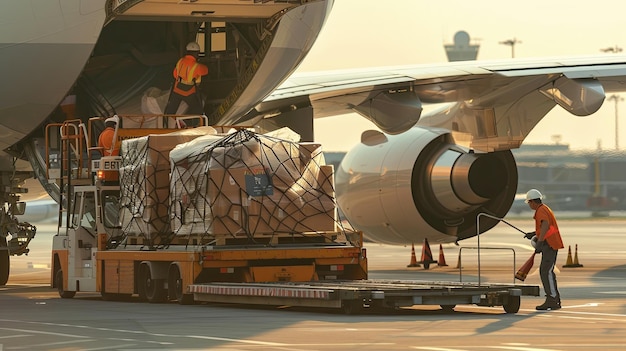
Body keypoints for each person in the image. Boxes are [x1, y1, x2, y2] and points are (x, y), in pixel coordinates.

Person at [524, 188, 565, 310]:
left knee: (546, 271)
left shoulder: (540, 210)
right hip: (551, 243)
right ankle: (554, 299)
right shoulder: (544, 208)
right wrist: (534, 233)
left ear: (532, 202)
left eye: (529, 203)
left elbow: (546, 225)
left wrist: (540, 242)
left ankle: (552, 299)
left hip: (550, 244)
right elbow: (544, 227)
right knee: (547, 271)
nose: (529, 205)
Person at [164, 41, 209, 116]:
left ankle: (167, 124)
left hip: (176, 90)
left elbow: (175, 74)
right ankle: (188, 124)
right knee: (197, 110)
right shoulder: (196, 66)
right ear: (197, 53)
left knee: (170, 111)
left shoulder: (180, 61)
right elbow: (206, 71)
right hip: (188, 92)